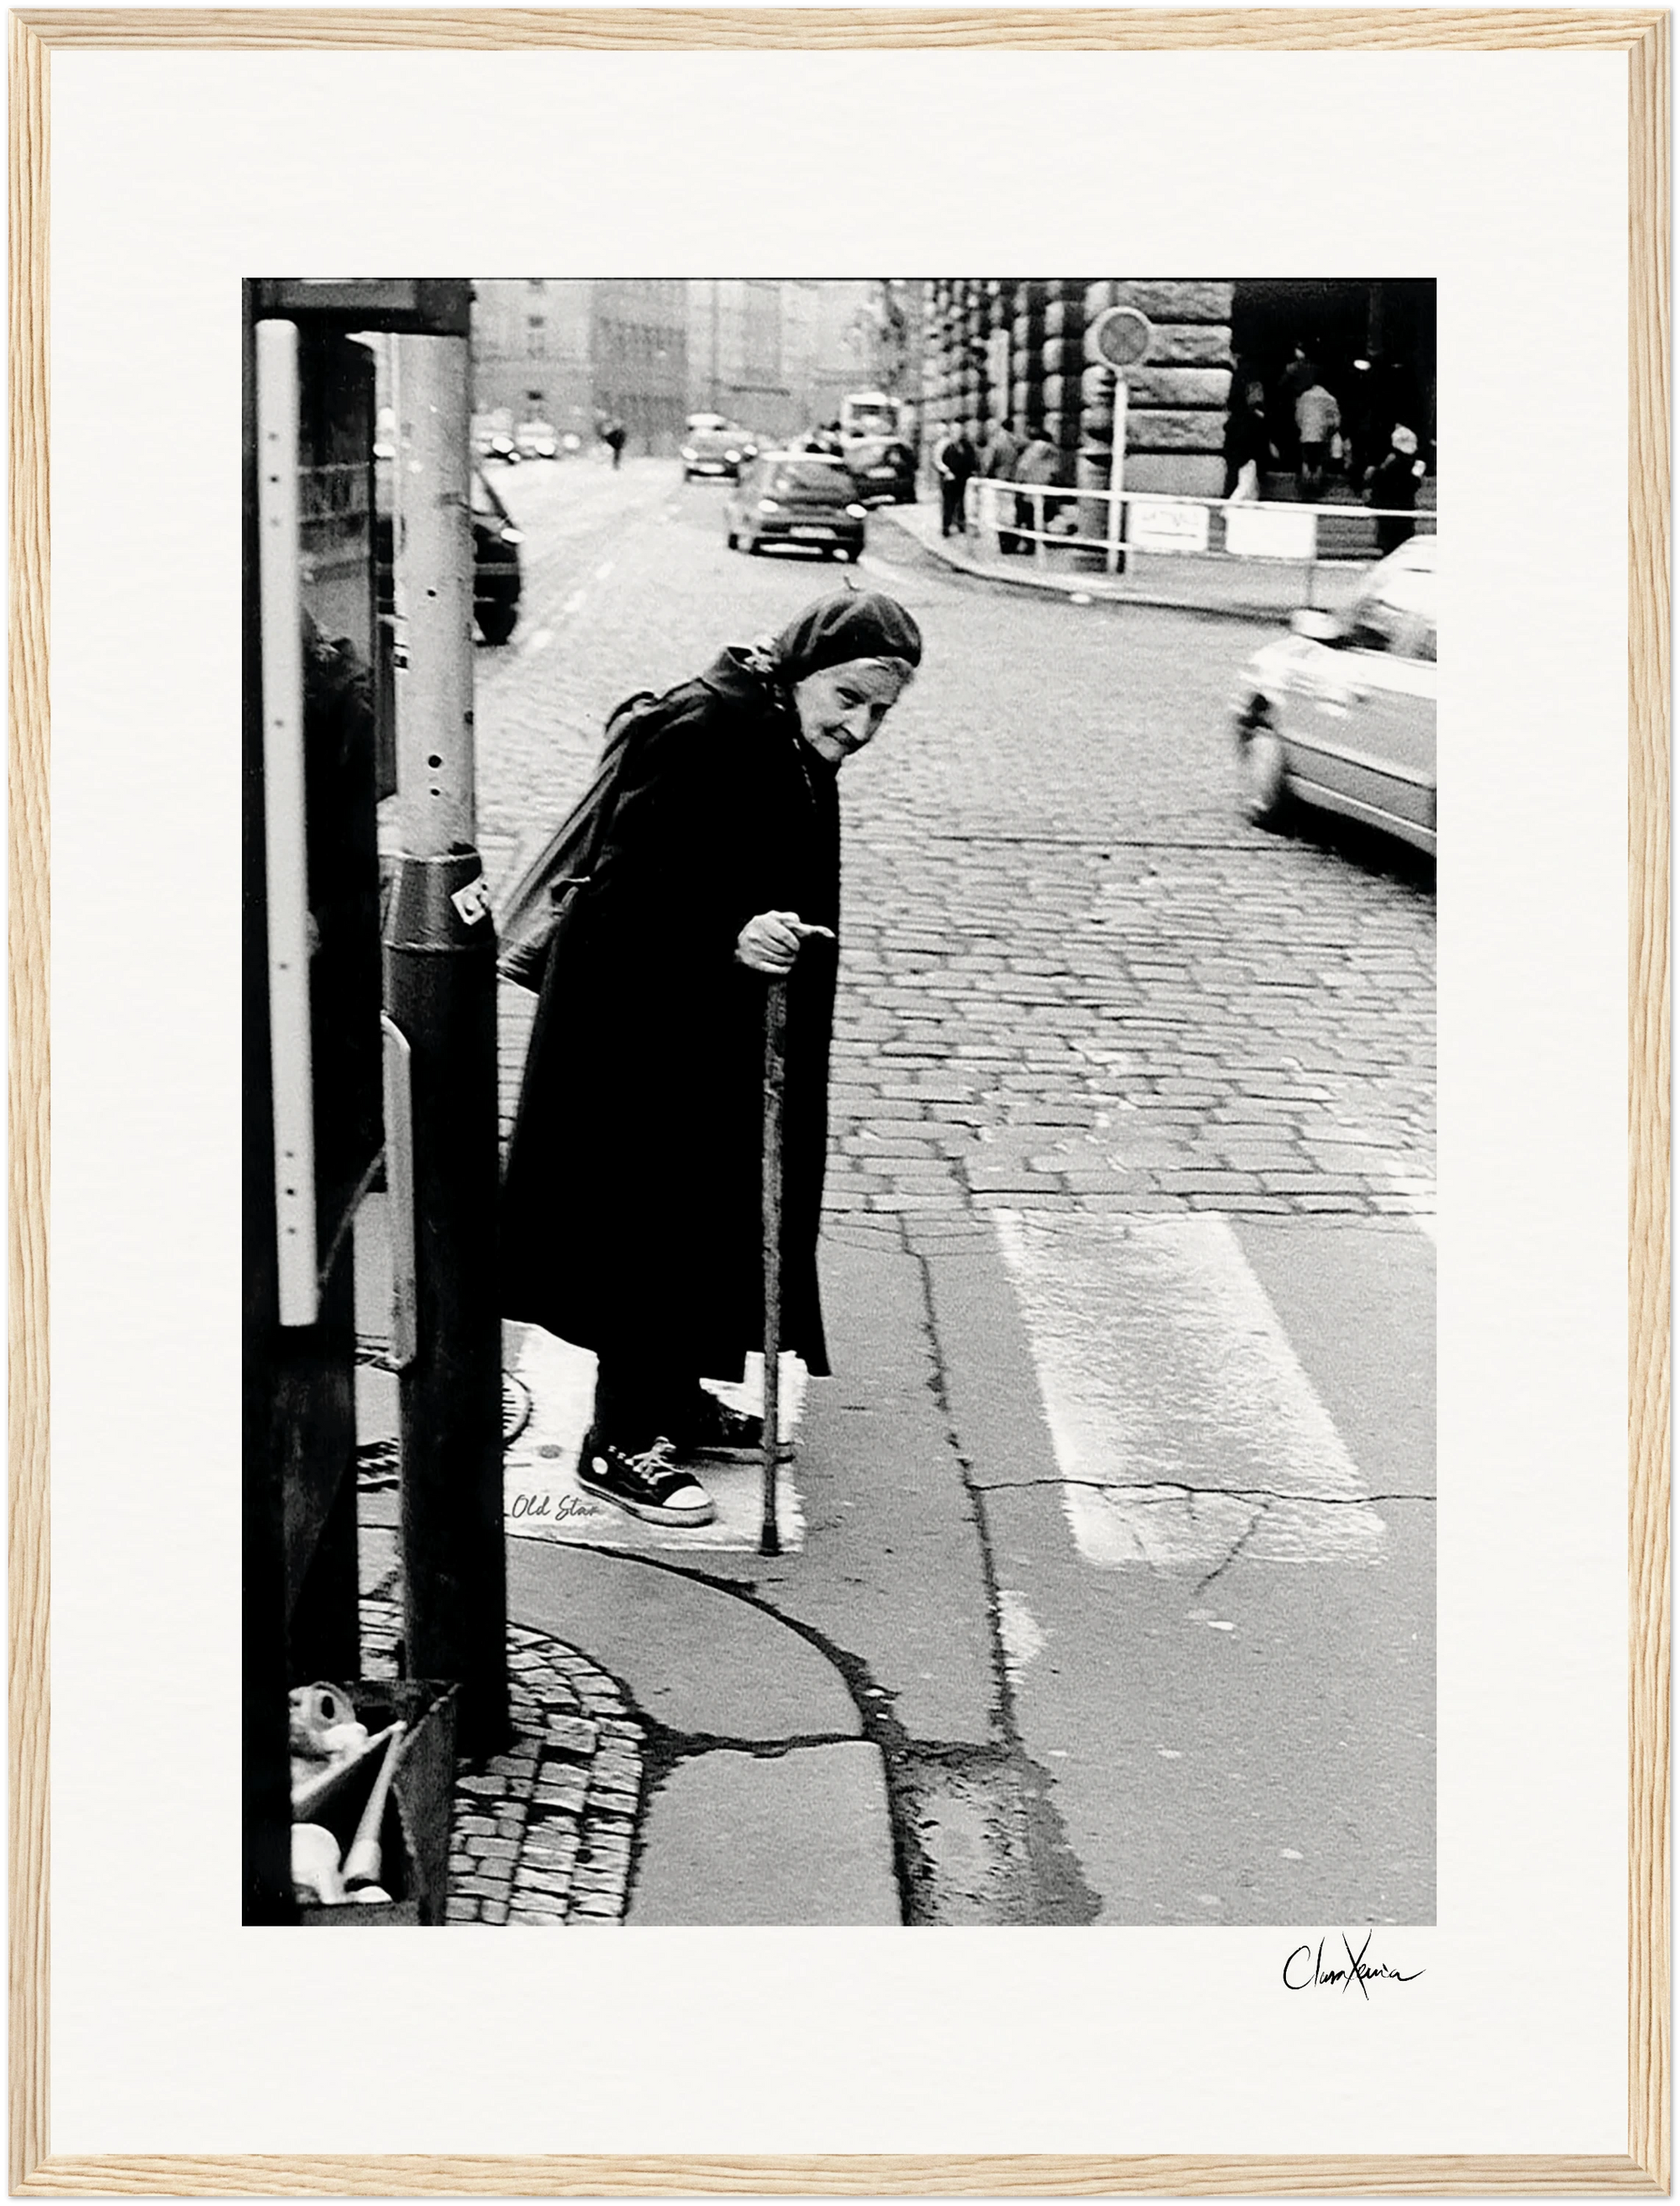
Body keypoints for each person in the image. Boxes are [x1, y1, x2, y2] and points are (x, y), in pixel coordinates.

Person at [501, 590, 924, 1528]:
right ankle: (618, 1439)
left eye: (879, 713)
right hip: (643, 1033)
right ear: (801, 668)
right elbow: (618, 896)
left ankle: (674, 1396)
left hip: (720, 1024)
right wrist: (726, 938)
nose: (858, 727)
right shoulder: (703, 729)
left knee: (712, 1210)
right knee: (653, 1217)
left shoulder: (780, 729)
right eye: (849, 698)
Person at [1364, 423, 1428, 553]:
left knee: (1389, 544)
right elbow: (1412, 485)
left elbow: (1376, 481)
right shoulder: (1413, 465)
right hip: (1401, 509)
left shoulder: (1388, 464)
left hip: (1389, 509)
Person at [1221, 381, 1273, 502]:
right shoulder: (1257, 419)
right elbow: (1262, 446)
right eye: (1257, 393)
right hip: (1248, 462)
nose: (1259, 396)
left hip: (1237, 462)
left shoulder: (1237, 418)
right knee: (1244, 492)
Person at [1294, 375, 1341, 499]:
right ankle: (1316, 490)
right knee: (1319, 463)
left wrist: (1303, 428)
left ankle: (1305, 490)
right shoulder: (1330, 399)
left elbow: (1298, 417)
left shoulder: (1304, 397)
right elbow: (1336, 422)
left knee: (1306, 461)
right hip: (1322, 437)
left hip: (1306, 436)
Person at [979, 418, 1023, 550]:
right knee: (1012, 513)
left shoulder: (996, 441)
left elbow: (988, 463)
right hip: (1014, 480)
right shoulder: (1017, 441)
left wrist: (985, 475)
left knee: (1002, 514)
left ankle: (1005, 544)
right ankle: (1012, 541)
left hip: (1000, 480)